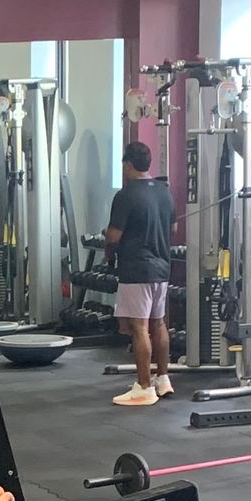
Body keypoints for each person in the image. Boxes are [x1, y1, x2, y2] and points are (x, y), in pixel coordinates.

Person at [105, 142, 175, 409]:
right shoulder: (164, 192)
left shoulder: (125, 195)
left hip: (136, 269)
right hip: (162, 268)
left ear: (127, 165)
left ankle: (144, 387)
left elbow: (113, 236)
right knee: (158, 324)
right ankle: (163, 379)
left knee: (139, 328)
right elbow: (173, 225)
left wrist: (108, 252)